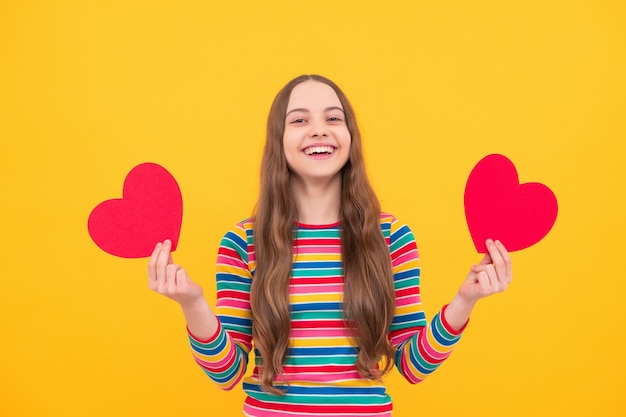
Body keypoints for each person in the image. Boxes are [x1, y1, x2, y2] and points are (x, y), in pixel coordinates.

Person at [148, 74, 512, 416]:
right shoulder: (243, 242)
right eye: (300, 120)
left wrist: (465, 301)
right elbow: (227, 373)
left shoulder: (391, 238)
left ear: (350, 135)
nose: (319, 130)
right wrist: (191, 303)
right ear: (279, 139)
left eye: (333, 118)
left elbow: (412, 365)